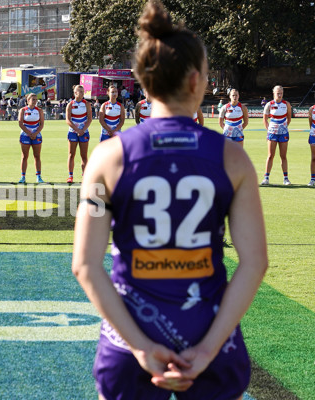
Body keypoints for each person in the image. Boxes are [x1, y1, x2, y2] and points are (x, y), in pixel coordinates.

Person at [71, 2, 267, 400]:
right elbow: (255, 262)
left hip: (129, 339)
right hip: (209, 332)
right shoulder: (233, 157)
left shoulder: (106, 158)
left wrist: (140, 347)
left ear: (144, 83)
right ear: (196, 80)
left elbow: (85, 266)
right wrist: (209, 348)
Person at [262, 85, 292, 185]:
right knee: (270, 155)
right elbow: (265, 119)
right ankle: (266, 178)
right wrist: (269, 130)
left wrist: (283, 128)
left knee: (283, 156)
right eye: (277, 93)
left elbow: (289, 118)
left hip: (283, 133)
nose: (279, 95)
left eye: (281, 93)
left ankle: (286, 178)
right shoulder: (269, 105)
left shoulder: (286, 104)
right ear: (273, 93)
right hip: (272, 133)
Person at [65, 84, 92, 183]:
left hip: (84, 132)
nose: (81, 93)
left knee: (84, 155)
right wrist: (77, 130)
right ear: (75, 93)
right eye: (79, 91)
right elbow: (67, 120)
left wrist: (83, 129)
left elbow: (89, 119)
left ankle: (85, 176)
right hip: (73, 132)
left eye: (82, 91)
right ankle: (70, 176)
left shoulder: (87, 104)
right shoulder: (70, 104)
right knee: (71, 154)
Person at [18, 93, 44, 183]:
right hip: (25, 135)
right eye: (33, 99)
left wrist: (35, 133)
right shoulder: (23, 110)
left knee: (37, 156)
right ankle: (23, 177)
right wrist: (29, 133)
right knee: (24, 156)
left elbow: (42, 124)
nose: (35, 101)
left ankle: (38, 177)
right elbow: (20, 123)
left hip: (36, 135)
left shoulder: (39, 110)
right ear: (28, 100)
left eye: (36, 100)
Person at [308, 103, 315, 186]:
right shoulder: (311, 109)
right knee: (314, 157)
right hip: (313, 135)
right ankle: (312, 179)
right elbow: (310, 123)